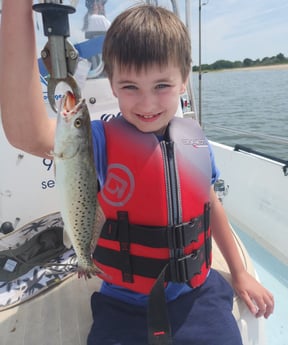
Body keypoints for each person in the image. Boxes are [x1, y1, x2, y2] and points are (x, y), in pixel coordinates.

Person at [0, 2, 274, 345]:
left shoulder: (193, 138)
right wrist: (16, 8)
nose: (147, 104)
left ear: (184, 79)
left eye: (162, 85)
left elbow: (210, 205)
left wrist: (239, 273)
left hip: (198, 295)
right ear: (112, 85)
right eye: (130, 87)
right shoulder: (95, 140)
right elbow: (26, 132)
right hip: (123, 304)